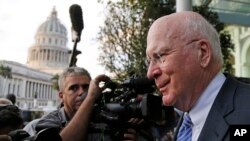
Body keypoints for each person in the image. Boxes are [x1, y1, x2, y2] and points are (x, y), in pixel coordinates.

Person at [146, 11, 250, 141]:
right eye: (149, 61)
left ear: (203, 53)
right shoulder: (186, 122)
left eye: (160, 56)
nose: (150, 73)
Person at [24, 67, 137, 141]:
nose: (81, 92)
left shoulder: (107, 118)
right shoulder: (49, 122)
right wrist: (90, 97)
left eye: (86, 87)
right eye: (73, 88)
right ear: (61, 96)